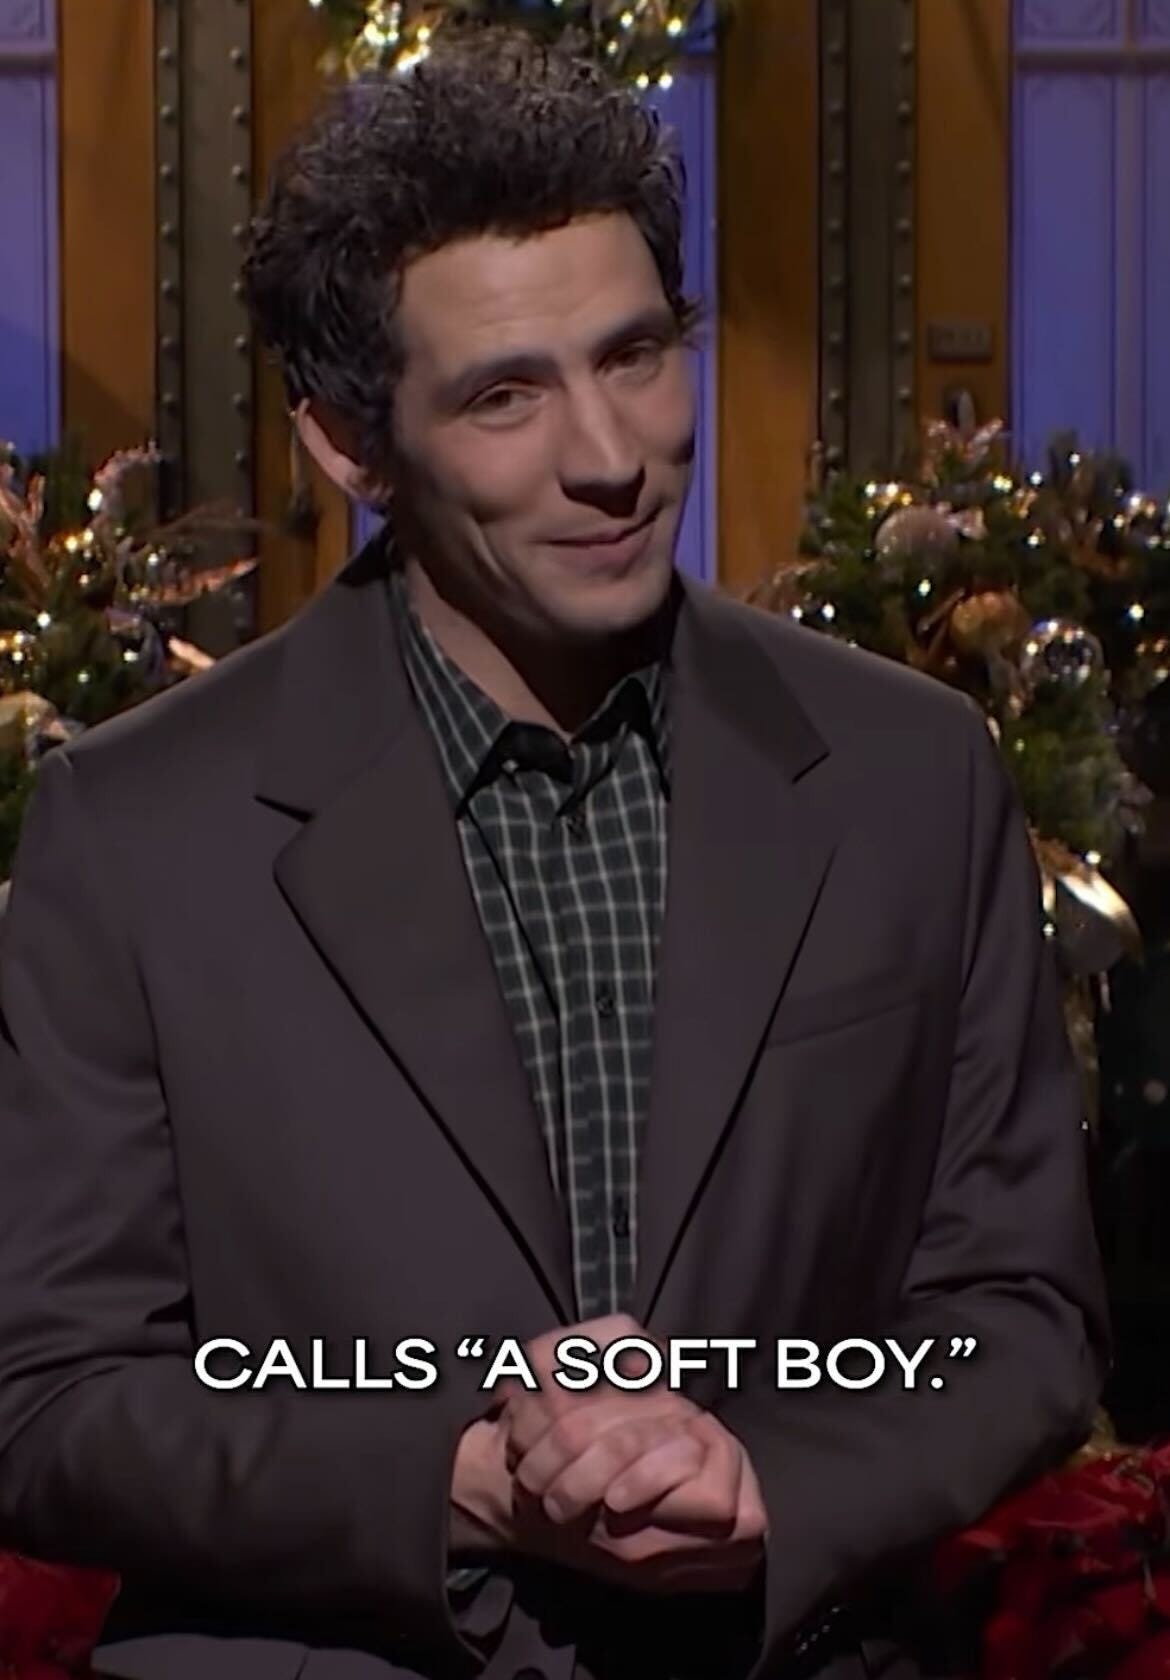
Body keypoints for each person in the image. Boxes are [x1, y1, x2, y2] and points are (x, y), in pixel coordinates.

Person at [0, 24, 1108, 1680]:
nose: (609, 456)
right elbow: (52, 1397)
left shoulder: (908, 771)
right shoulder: (139, 830)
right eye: (504, 396)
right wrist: (457, 1482)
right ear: (350, 446)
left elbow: (1017, 1313)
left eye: (635, 354)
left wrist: (777, 1483)